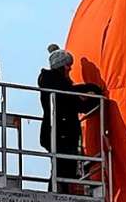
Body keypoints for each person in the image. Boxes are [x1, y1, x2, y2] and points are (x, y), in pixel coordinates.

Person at [37, 44, 103, 193]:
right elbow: (71, 98)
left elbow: (72, 99)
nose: (70, 69)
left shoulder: (54, 83)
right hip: (60, 132)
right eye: (68, 65)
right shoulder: (54, 83)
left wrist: (89, 94)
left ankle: (59, 192)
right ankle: (60, 193)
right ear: (62, 66)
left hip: (58, 132)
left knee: (63, 167)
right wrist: (91, 91)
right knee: (63, 166)